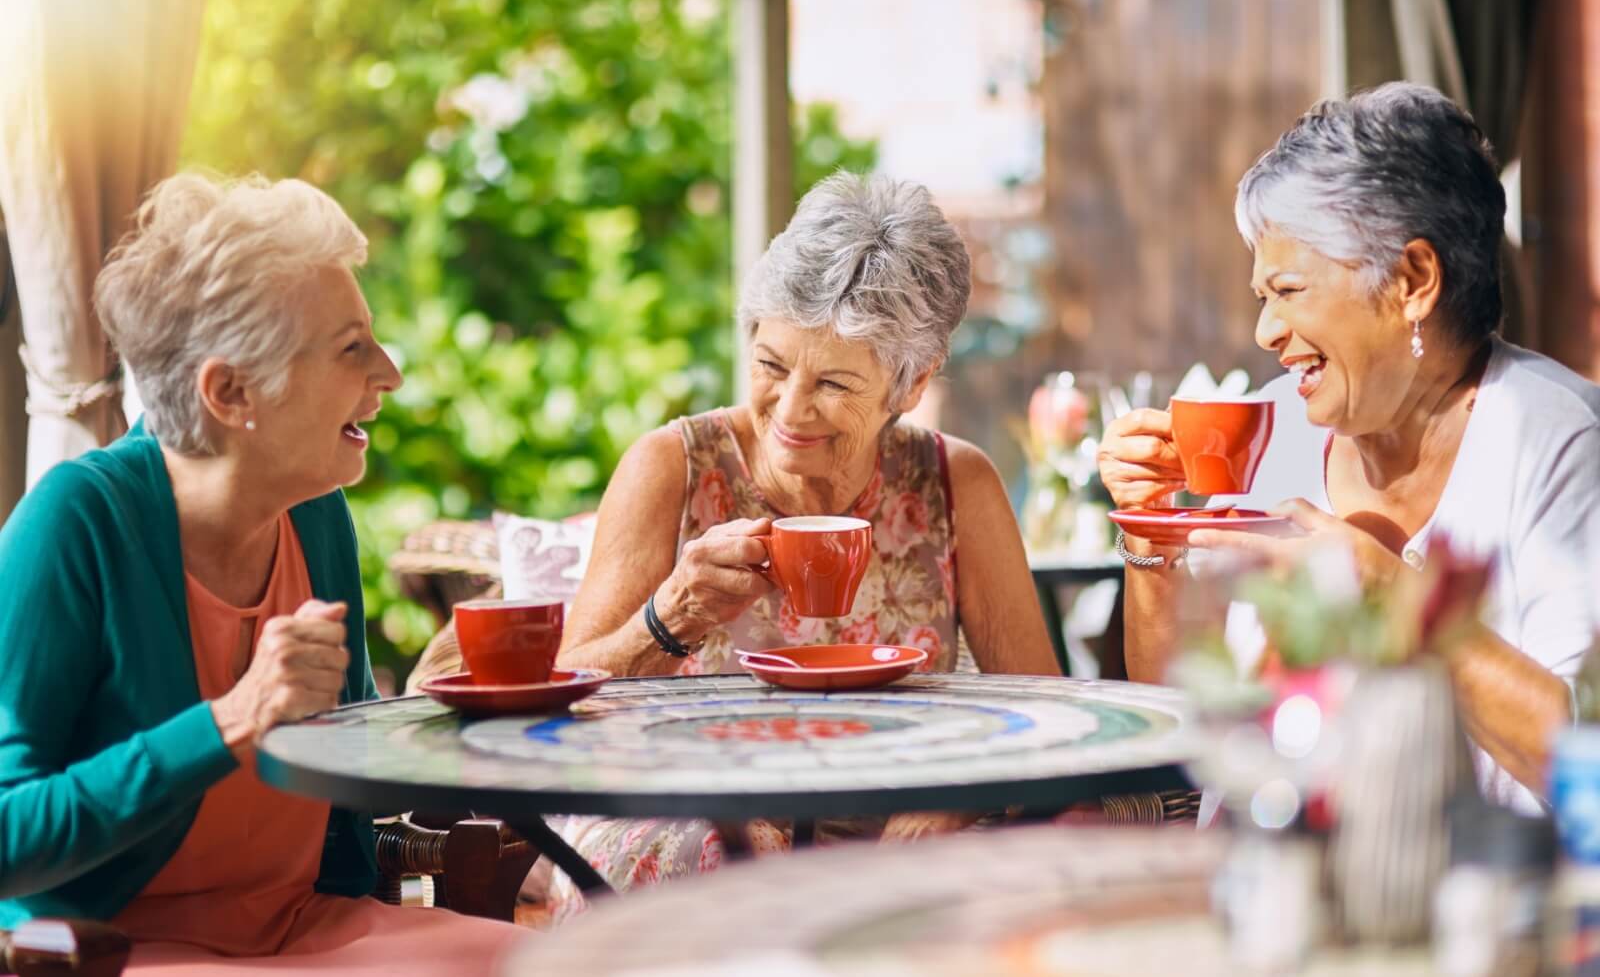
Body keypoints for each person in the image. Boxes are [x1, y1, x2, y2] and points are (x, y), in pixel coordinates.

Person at [491, 171, 1056, 917]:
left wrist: (954, 801)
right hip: (681, 816)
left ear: (911, 383)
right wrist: (672, 615)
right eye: (771, 365)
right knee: (737, 873)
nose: (790, 410)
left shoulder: (958, 484)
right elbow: (554, 702)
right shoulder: (671, 466)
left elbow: (1046, 712)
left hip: (901, 828)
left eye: (835, 384)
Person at [0, 174, 527, 970]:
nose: (390, 372)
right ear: (231, 390)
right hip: (125, 949)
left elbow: (348, 762)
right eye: (352, 347)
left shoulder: (314, 513)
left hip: (308, 928)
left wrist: (480, 716)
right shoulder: (78, 522)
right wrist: (227, 722)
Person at [1097, 82, 1600, 812]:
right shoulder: (1271, 425)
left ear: (1413, 281)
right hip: (1265, 875)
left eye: (1289, 290)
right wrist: (1152, 539)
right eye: (1261, 297)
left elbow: (1581, 757)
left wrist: (1391, 594)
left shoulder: (1556, 440)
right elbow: (1184, 723)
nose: (1265, 332)